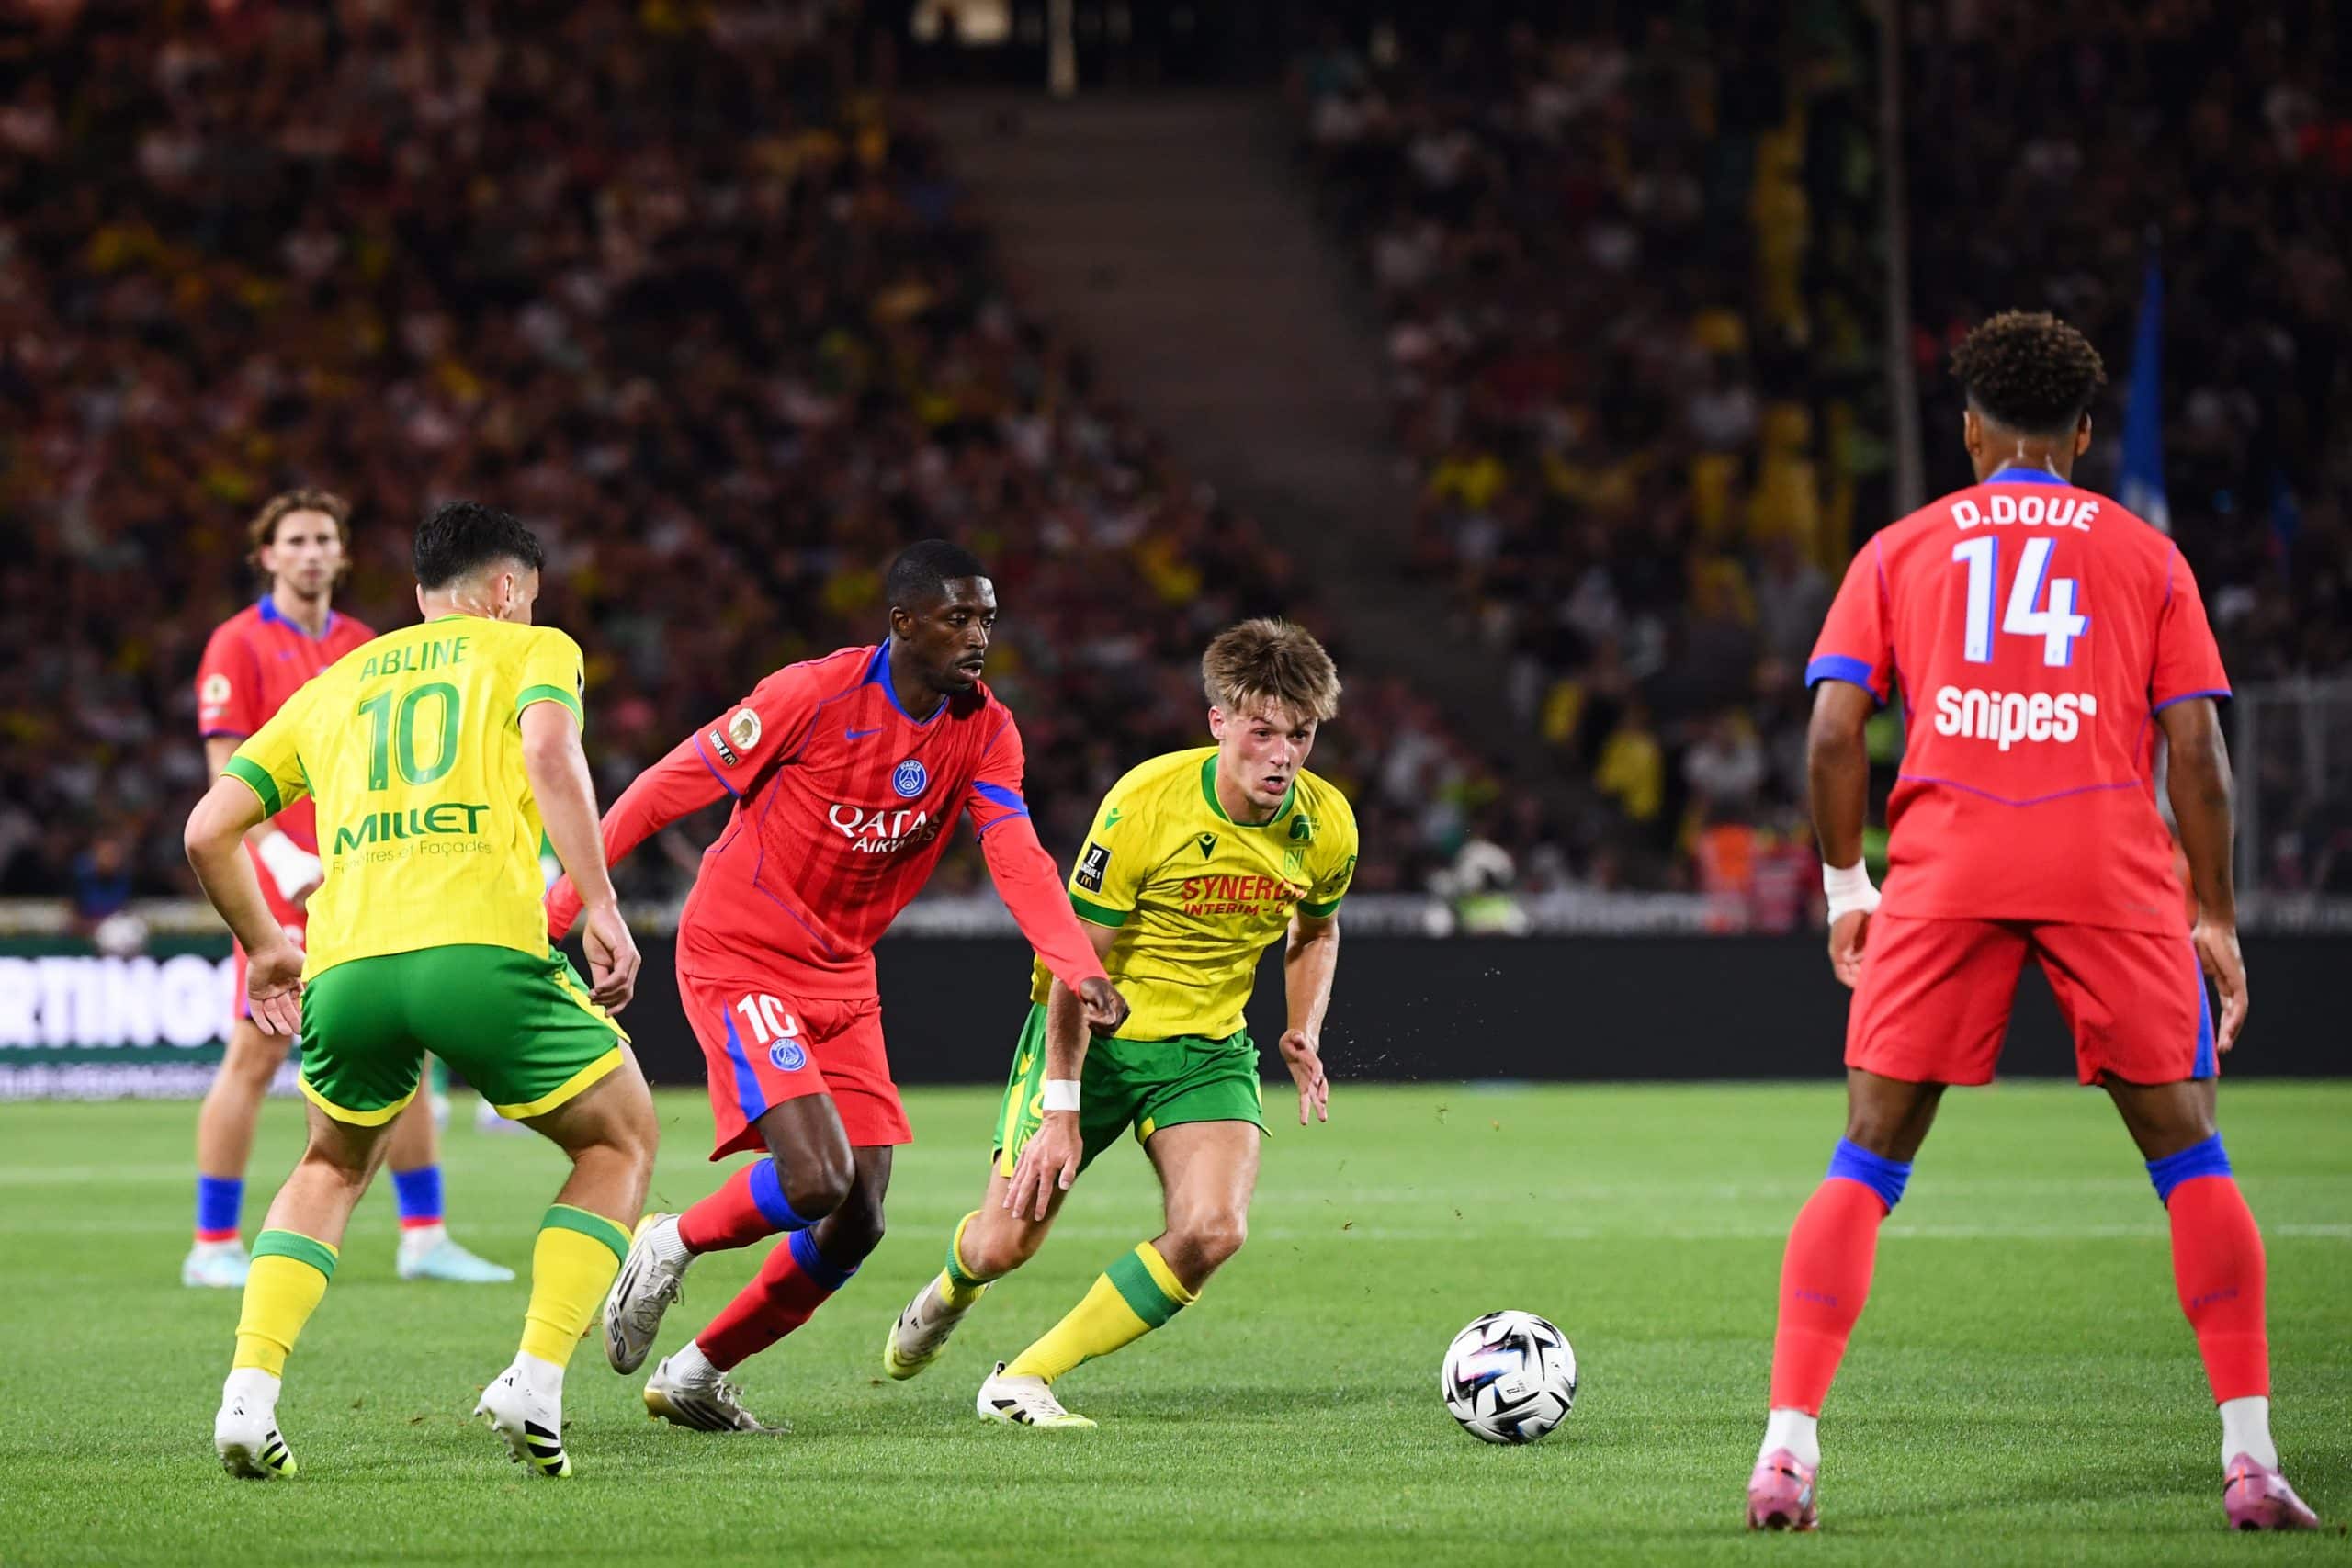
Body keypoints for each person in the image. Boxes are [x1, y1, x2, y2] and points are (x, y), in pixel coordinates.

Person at [1747, 312, 2317, 1532]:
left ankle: (1786, 1451)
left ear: (1969, 430)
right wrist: (2214, 915)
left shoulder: (1900, 547)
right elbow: (2201, 753)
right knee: (2191, 1155)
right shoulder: (2148, 554)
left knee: (1865, 1155)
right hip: (2109, 862)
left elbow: (1835, 732)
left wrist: (1852, 885)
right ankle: (2252, 1457)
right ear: (2085, 434)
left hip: (1949, 859)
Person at [548, 539, 1129, 1432]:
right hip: (741, 951)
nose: (978, 636)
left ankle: (698, 1372)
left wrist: (1078, 964)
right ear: (902, 622)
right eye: (958, 618)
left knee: (859, 1217)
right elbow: (667, 787)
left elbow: (1015, 854)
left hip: (842, 973)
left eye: (987, 619)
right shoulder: (811, 695)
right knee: (815, 1178)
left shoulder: (985, 730)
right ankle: (667, 1241)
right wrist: (573, 903)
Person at [185, 501, 660, 1481]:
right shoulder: (531, 650)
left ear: (415, 596)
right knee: (619, 1140)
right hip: (477, 950)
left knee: (326, 1167)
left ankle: (247, 1396)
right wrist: (602, 903)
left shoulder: (340, 679)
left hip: (348, 965)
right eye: (526, 599)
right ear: (506, 591)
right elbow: (547, 751)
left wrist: (269, 948)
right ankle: (534, 1376)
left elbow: (205, 830)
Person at [885, 618, 1356, 1428]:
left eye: (1301, 736)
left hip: (1205, 1053)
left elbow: (1315, 929)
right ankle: (951, 1288)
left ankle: (1023, 1378)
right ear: (1219, 722)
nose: (1283, 755)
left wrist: (1300, 1023)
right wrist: (1060, 1110)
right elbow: (1073, 963)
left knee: (1213, 1231)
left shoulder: (1327, 824)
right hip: (1093, 1038)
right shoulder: (1145, 805)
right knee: (1003, 1246)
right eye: (1263, 732)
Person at [187, 490, 508, 1288]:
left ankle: (424, 1234)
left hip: (363, 875)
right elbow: (226, 779)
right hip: (275, 884)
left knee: (407, 1047)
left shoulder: (368, 644)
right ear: (267, 555)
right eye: (294, 539)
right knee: (256, 1055)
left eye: (324, 537)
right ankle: (213, 1242)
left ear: (344, 551)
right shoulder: (236, 644)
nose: (311, 552)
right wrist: (279, 858)